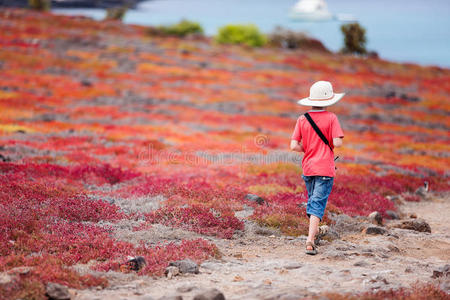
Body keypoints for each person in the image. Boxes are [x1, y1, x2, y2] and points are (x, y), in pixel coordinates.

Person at [290, 81, 345, 255]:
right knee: (317, 204)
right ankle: (310, 241)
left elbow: (293, 146)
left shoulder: (302, 119)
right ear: (328, 100)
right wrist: (333, 142)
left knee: (313, 203)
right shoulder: (331, 118)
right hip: (325, 169)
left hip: (308, 167)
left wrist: (308, 148)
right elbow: (337, 142)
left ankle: (316, 232)